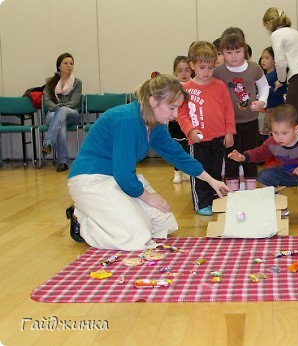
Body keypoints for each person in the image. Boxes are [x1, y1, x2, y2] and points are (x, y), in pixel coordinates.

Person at [66, 73, 231, 250]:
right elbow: (124, 175)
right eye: (172, 108)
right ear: (153, 101)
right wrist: (148, 197)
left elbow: (178, 156)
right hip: (91, 181)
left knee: (164, 226)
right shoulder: (127, 121)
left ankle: (103, 214)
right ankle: (82, 221)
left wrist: (212, 180)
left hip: (116, 180)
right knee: (135, 237)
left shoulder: (155, 124)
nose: (176, 115)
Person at [228, 104, 298, 223]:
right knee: (265, 175)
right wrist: (243, 157)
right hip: (289, 172)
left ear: (296, 129)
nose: (279, 137)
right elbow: (259, 153)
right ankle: (279, 207)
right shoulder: (272, 142)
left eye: (284, 133)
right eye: (275, 132)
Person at [177, 41, 236, 216]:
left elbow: (228, 110)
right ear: (192, 65)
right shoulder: (186, 89)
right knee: (199, 171)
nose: (207, 72)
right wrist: (190, 131)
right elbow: (182, 114)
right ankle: (201, 203)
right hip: (198, 140)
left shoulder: (219, 86)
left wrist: (229, 131)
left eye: (210, 67)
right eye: (202, 67)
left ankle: (215, 199)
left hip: (218, 138)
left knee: (216, 171)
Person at [213, 27, 269, 191]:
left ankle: (251, 191)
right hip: (229, 126)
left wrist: (261, 102)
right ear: (222, 52)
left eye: (237, 51)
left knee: (250, 156)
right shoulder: (218, 72)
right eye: (229, 53)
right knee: (230, 157)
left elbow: (264, 87)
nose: (234, 56)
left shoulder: (254, 68)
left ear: (244, 49)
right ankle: (233, 192)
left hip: (250, 121)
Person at [262, 7, 298, 137]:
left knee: (290, 121)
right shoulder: (295, 32)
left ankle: (292, 156)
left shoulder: (276, 34)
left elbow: (280, 61)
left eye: (265, 26)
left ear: (268, 22)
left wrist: (281, 80)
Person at [41, 52, 82, 172]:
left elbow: (74, 102)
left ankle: (48, 143)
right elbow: (47, 102)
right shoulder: (50, 83)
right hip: (53, 115)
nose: (69, 66)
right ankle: (63, 161)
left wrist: (61, 108)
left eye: (71, 63)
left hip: (72, 114)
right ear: (59, 66)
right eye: (66, 63)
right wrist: (59, 109)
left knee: (62, 112)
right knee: (60, 122)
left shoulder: (77, 83)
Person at [170, 56, 192, 183]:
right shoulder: (173, 87)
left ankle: (187, 171)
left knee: (189, 148)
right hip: (175, 124)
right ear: (174, 72)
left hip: (189, 123)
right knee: (177, 148)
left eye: (187, 70)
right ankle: (177, 172)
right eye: (180, 70)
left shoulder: (193, 86)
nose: (184, 74)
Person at [259, 46, 286, 142]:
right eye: (262, 58)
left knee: (273, 133)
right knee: (264, 134)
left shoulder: (278, 75)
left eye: (267, 58)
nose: (263, 61)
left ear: (275, 60)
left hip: (275, 109)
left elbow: (279, 90)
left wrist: (265, 91)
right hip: (267, 109)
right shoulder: (265, 76)